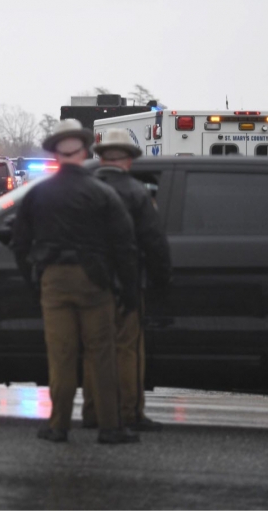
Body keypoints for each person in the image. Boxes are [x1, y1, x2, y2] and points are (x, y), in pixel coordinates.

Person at [12, 119, 140, 444]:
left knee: (61, 354)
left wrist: (33, 278)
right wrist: (127, 288)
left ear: (55, 154)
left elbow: (19, 242)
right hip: (95, 281)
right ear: (84, 152)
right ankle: (110, 426)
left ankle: (58, 425)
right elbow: (125, 245)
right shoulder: (103, 193)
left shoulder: (37, 194)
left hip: (53, 281)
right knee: (101, 353)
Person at [82, 128, 172, 432]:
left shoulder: (86, 189)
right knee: (127, 349)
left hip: (89, 283)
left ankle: (93, 411)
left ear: (102, 157)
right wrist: (161, 279)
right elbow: (154, 242)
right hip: (127, 282)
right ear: (129, 161)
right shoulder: (137, 193)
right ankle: (129, 411)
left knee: (94, 348)